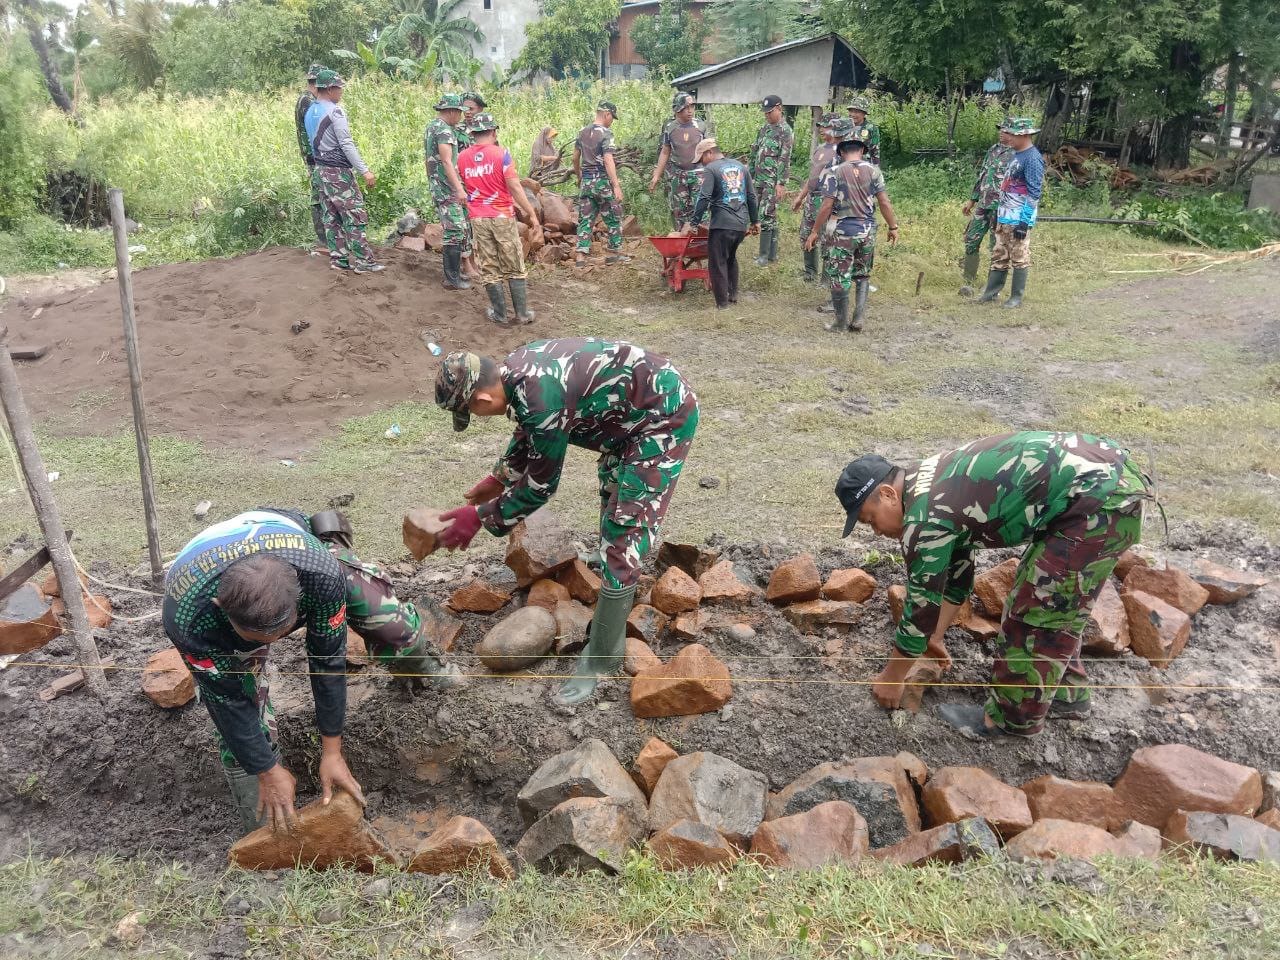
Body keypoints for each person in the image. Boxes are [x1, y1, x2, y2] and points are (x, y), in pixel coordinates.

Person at [432, 339, 699, 708]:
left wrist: (478, 519)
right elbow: (530, 429)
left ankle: (602, 657)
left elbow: (541, 487)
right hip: (627, 417)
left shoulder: (541, 398)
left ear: (480, 402)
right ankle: (608, 563)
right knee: (612, 489)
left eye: (470, 413)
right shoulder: (517, 371)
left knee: (628, 525)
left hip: (661, 419)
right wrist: (500, 477)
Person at [162, 508, 463, 834]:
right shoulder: (188, 619)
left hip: (298, 551)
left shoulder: (320, 575)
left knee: (390, 625)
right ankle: (263, 828)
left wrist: (332, 752)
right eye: (260, 640)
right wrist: (266, 769)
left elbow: (327, 660)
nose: (273, 645)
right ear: (223, 609)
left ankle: (432, 674)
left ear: (300, 602)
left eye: (280, 634)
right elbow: (227, 702)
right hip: (210, 590)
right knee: (242, 700)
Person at [836, 431, 1152, 739]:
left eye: (869, 519)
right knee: (1051, 602)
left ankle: (1010, 721)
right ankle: (1067, 696)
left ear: (888, 494)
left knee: (1035, 613)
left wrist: (891, 678)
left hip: (1099, 501)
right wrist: (935, 637)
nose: (876, 531)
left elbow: (920, 609)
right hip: (1102, 479)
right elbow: (956, 578)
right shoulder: (927, 483)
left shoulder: (922, 522)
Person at [804, 129, 900, 332]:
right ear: (862, 150)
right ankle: (858, 319)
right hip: (867, 231)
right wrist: (893, 226)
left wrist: (814, 231)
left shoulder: (835, 172)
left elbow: (826, 205)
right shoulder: (874, 171)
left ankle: (840, 323)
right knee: (863, 274)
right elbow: (884, 201)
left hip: (843, 232)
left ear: (841, 152)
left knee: (840, 275)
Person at [458, 112, 543, 325]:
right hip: (502, 216)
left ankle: (500, 314)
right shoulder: (501, 154)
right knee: (513, 262)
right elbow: (514, 186)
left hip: (478, 218)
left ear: (472, 134)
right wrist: (531, 214)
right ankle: (522, 314)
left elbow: (464, 185)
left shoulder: (462, 158)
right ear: (494, 132)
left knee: (489, 265)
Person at [303, 70, 383, 274]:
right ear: (330, 89)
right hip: (338, 172)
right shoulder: (335, 111)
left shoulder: (310, 110)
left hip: (320, 170)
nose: (341, 92)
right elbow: (346, 143)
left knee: (331, 216)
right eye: (339, 88)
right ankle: (364, 260)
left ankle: (339, 259)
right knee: (353, 214)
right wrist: (365, 171)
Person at [681, 138, 758, 309]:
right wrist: (755, 221)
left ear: (709, 153)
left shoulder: (711, 169)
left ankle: (722, 304)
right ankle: (732, 295)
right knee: (730, 258)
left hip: (722, 223)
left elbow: (704, 197)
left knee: (717, 262)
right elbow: (751, 195)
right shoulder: (740, 166)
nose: (701, 163)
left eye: (702, 158)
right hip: (740, 224)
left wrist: (694, 223)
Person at [978, 117, 1043, 308]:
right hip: (1005, 214)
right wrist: (999, 211)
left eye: (1012, 134)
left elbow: (1034, 193)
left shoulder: (1032, 158)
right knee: (999, 254)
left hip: (1018, 219)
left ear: (1024, 135)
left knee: (1019, 256)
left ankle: (1016, 297)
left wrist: (1024, 222)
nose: (1008, 137)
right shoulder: (1015, 154)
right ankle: (990, 293)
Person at [424, 93, 477, 291]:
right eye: (460, 113)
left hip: (439, 185)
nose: (461, 117)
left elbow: (428, 161)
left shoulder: (432, 127)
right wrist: (460, 189)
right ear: (452, 111)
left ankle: (455, 272)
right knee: (455, 229)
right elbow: (447, 161)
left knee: (456, 227)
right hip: (447, 187)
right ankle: (451, 277)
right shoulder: (445, 131)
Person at [959, 123, 1015, 296]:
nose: (1001, 133)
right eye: (1000, 129)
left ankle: (992, 287)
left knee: (996, 246)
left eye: (1005, 131)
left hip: (1002, 208)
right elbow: (982, 174)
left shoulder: (1017, 154)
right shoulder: (994, 149)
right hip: (983, 204)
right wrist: (972, 199)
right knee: (971, 239)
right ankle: (968, 280)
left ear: (1013, 133)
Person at [573, 100, 629, 267]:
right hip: (602, 181)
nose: (612, 121)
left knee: (586, 218)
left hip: (587, 181)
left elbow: (575, 158)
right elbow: (608, 159)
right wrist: (616, 185)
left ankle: (580, 257)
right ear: (606, 114)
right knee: (613, 214)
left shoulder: (582, 132)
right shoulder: (606, 133)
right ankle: (615, 251)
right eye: (612, 117)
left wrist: (579, 176)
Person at [649, 92, 708, 229]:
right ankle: (681, 244)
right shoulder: (670, 127)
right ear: (677, 109)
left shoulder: (701, 126)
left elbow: (710, 149)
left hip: (698, 174)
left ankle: (702, 244)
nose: (690, 111)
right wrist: (656, 176)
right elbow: (665, 151)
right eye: (686, 107)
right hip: (678, 175)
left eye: (692, 107)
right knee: (680, 212)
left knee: (701, 210)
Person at [792, 114, 839, 282]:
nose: (821, 129)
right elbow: (812, 177)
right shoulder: (820, 148)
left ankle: (826, 279)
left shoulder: (841, 151)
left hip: (828, 200)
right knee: (806, 233)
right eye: (820, 125)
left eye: (825, 126)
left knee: (828, 238)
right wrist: (800, 197)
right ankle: (810, 272)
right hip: (813, 199)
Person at [748, 95, 794, 267]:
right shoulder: (763, 129)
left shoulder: (785, 131)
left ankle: (764, 256)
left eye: (770, 112)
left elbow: (785, 158)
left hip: (772, 181)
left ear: (779, 108)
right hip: (758, 180)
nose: (767, 115)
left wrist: (781, 183)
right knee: (770, 216)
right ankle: (771, 256)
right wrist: (749, 176)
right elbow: (755, 152)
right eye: (765, 113)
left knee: (767, 215)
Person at [295, 63, 327, 253]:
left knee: (320, 195)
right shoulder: (308, 102)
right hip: (315, 157)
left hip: (313, 155)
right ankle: (323, 238)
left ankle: (326, 237)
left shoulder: (306, 99)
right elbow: (316, 130)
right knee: (319, 197)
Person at [846, 94, 882, 167]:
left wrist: (875, 170)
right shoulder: (844, 127)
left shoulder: (872, 128)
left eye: (856, 112)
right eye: (851, 111)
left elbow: (875, 152)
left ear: (864, 113)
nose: (852, 114)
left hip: (864, 167)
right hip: (845, 167)